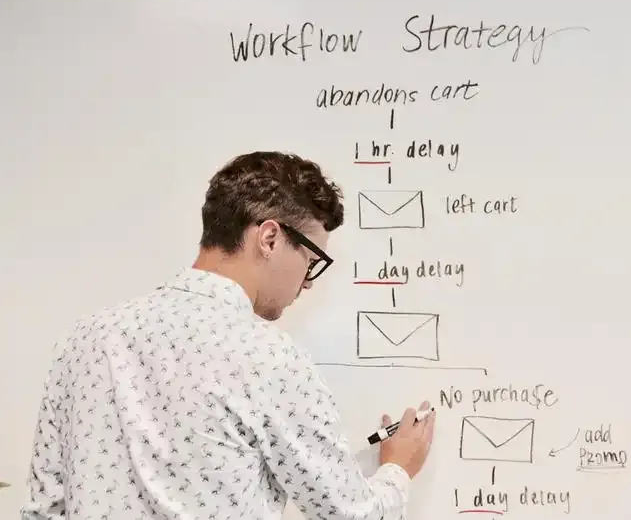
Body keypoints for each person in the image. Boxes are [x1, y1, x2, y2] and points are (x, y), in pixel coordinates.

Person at [21, 151, 436, 519]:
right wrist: (398, 469)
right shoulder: (270, 358)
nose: (308, 282)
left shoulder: (84, 340)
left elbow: (42, 510)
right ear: (270, 238)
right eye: (311, 261)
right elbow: (350, 515)